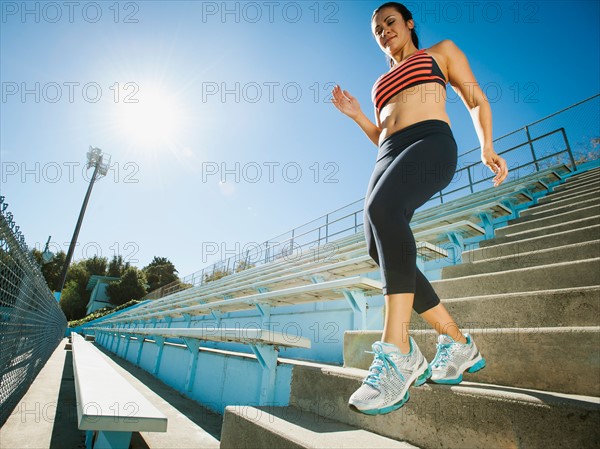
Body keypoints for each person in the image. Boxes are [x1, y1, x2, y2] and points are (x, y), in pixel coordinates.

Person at [331, 2, 509, 416]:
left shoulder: (440, 52)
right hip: (387, 154)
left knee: (384, 212)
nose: (384, 32)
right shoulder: (379, 83)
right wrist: (358, 115)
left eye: (390, 23)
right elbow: (383, 135)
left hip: (430, 142)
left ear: (409, 24)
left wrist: (486, 145)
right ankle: (458, 342)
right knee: (379, 247)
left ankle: (397, 351)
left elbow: (476, 100)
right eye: (376, 30)